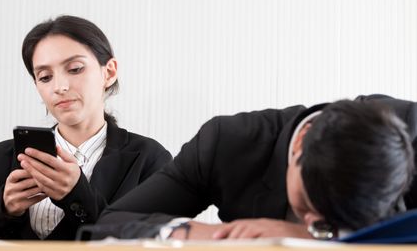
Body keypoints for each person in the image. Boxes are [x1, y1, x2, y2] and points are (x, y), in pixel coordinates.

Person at [90, 95, 416, 240]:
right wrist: (196, 235)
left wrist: (307, 233)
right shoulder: (228, 144)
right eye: (306, 207)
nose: (318, 224)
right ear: (301, 142)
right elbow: (109, 225)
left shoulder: (411, 130)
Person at [0, 15, 172, 240]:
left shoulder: (149, 160)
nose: (59, 87)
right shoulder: (0, 157)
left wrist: (77, 195)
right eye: (45, 77)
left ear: (108, 72)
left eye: (75, 69)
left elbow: (150, 242)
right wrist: (5, 210)